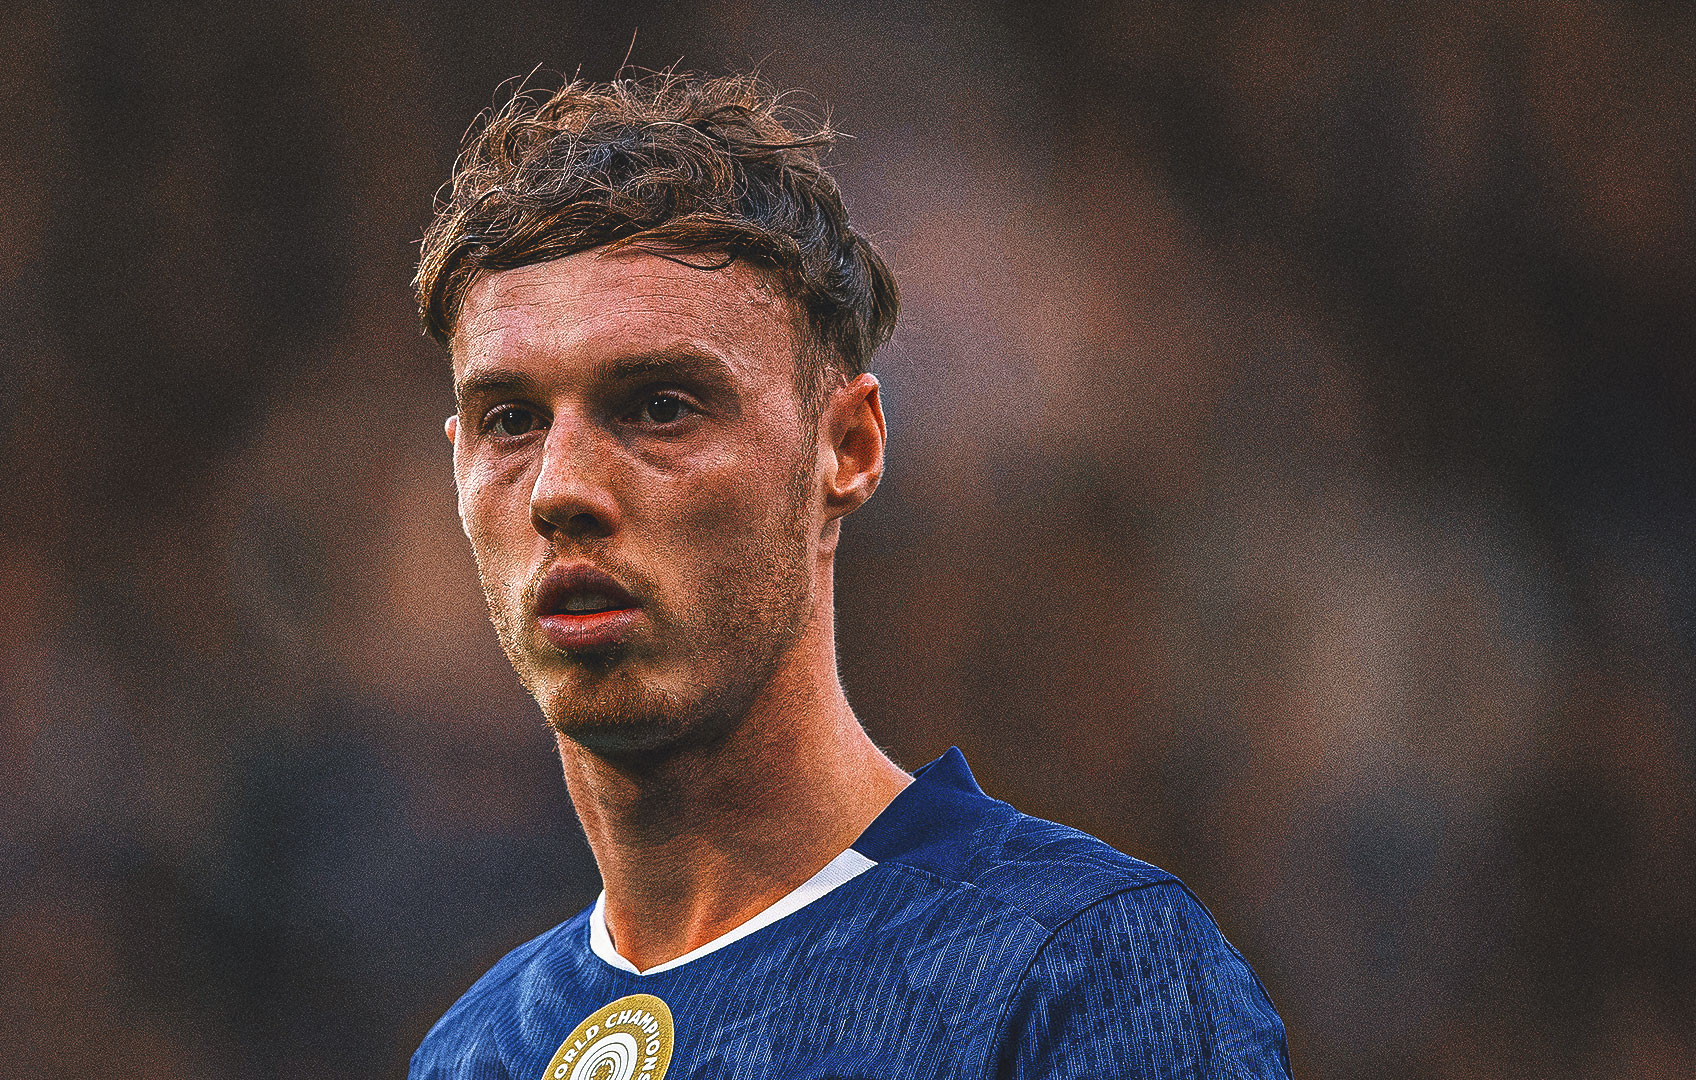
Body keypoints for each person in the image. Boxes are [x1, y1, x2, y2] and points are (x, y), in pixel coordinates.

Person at [405, 70, 1290, 1079]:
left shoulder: (1080, 969)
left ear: (848, 447)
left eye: (660, 406)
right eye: (511, 421)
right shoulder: (470, 1053)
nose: (560, 488)